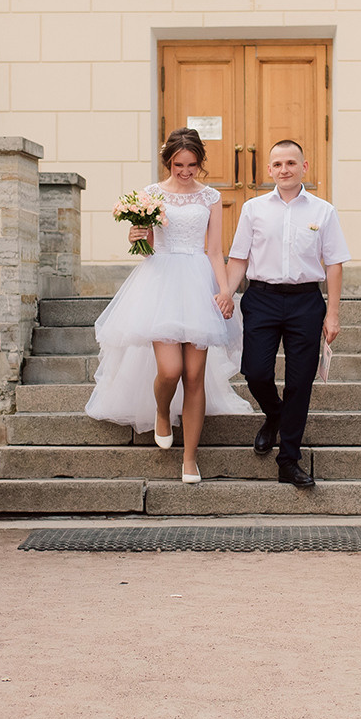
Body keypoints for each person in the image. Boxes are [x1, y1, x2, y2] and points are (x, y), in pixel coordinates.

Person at [84, 127, 250, 482]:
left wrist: (225, 292)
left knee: (194, 376)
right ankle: (162, 411)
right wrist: (136, 235)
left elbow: (215, 251)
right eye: (179, 165)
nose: (186, 171)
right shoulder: (150, 195)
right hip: (160, 282)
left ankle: (190, 458)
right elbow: (143, 242)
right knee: (171, 370)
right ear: (168, 161)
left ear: (200, 163)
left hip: (199, 283)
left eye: (192, 165)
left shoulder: (211, 198)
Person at [226, 140, 350, 489]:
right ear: (269, 169)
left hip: (306, 303)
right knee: (256, 372)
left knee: (300, 383)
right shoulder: (252, 209)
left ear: (304, 167)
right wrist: (226, 294)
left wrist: (333, 313)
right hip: (261, 299)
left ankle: (288, 460)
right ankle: (275, 414)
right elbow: (238, 258)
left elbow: (335, 264)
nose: (285, 169)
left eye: (291, 163)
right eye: (278, 163)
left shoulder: (323, 211)